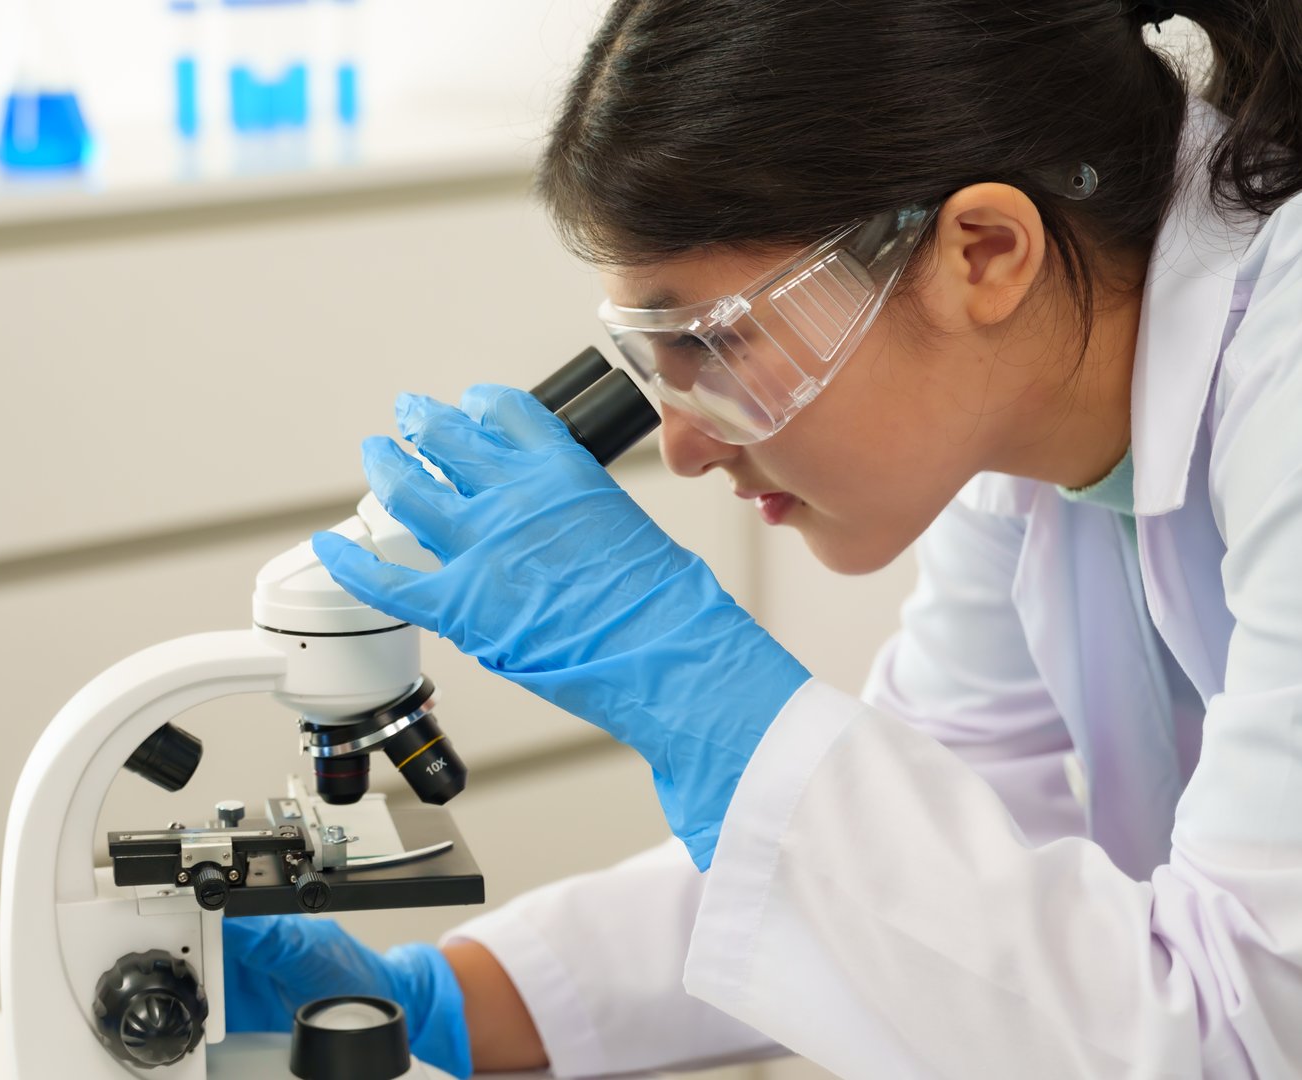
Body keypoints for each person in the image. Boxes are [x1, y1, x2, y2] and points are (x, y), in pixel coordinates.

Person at [222, 0, 1302, 1075]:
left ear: (981, 252)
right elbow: (921, 864)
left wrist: (702, 696)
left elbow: (1234, 1034)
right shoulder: (1024, 420)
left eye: (718, 343)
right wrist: (447, 1001)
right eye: (653, 364)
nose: (682, 448)